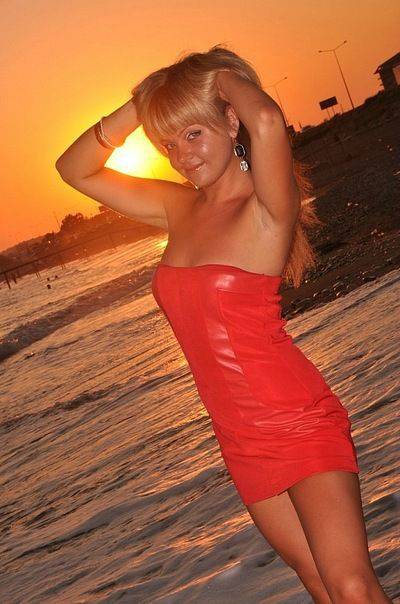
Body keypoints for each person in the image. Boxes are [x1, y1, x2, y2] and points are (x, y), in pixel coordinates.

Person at [55, 44, 393, 604]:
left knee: (351, 585)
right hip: (238, 437)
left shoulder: (266, 205)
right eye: (168, 144)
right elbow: (73, 169)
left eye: (194, 134)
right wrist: (145, 101)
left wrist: (214, 76)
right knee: (320, 585)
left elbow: (268, 119)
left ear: (230, 120)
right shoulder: (177, 208)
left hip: (296, 418)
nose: (182, 156)